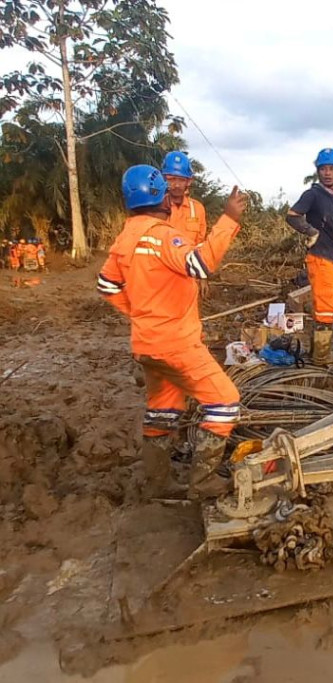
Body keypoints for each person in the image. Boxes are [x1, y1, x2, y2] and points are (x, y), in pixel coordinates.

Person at [97, 165, 248, 498]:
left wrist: (139, 312)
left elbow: (106, 284)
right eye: (166, 190)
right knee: (225, 403)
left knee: (162, 410)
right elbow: (199, 264)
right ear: (157, 196)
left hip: (146, 343)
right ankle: (203, 481)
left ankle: (157, 483)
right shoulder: (163, 235)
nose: (171, 195)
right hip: (176, 343)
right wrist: (230, 220)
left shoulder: (125, 238)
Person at [286, 148, 333, 364]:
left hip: (331, 257)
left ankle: (317, 352)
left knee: (327, 306)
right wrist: (311, 231)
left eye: (332, 169)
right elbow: (293, 216)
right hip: (320, 257)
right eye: (323, 169)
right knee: (325, 309)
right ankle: (321, 358)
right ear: (318, 171)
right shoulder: (313, 194)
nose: (327, 173)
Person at [162, 151, 210, 298]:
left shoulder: (198, 210)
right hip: (161, 280)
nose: (176, 184)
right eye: (171, 179)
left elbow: (201, 246)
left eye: (181, 180)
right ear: (164, 179)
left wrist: (203, 277)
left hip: (188, 279)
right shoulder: (156, 208)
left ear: (189, 181)